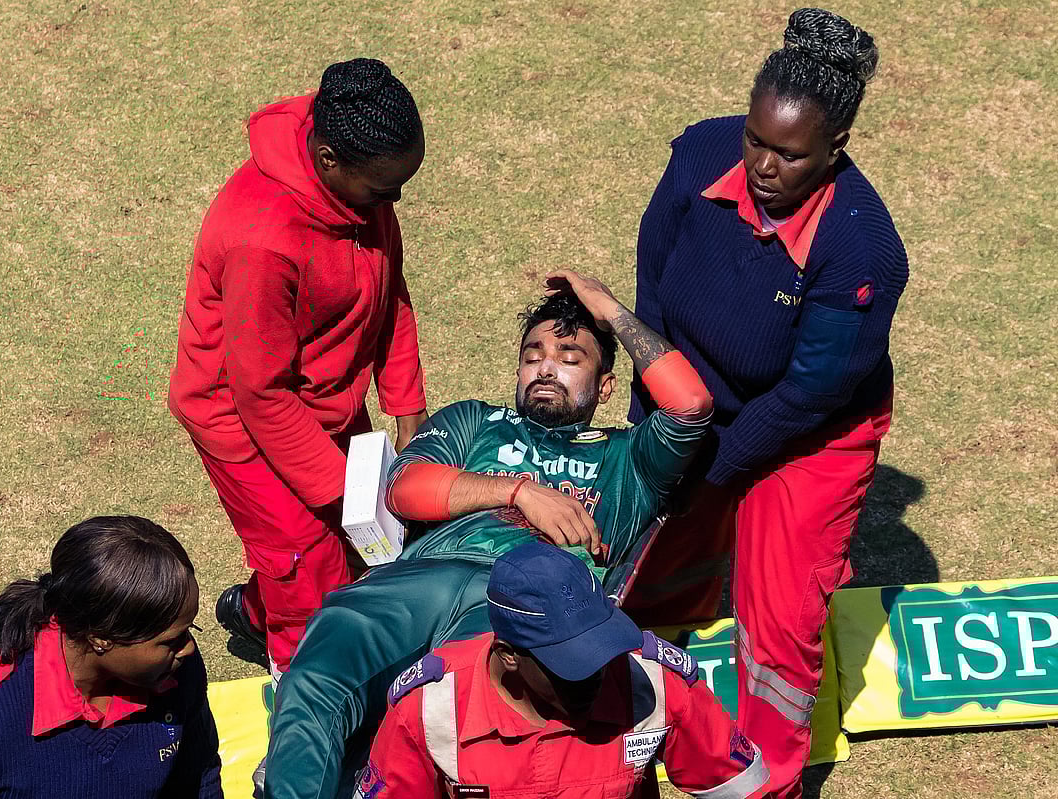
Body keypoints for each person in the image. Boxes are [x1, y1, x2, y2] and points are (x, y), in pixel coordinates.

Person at [262, 270, 714, 799]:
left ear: (606, 384)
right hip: (423, 576)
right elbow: (405, 489)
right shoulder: (476, 421)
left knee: (469, 704)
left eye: (570, 359)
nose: (546, 368)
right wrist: (519, 492)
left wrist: (606, 307)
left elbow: (691, 405)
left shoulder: (629, 457)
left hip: (527, 604)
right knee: (319, 667)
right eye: (533, 356)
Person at [625, 9, 909, 798]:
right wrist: (666, 419)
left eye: (790, 154)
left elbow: (812, 392)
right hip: (696, 401)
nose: (762, 165)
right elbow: (654, 280)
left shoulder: (862, 250)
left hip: (812, 435)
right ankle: (637, 707)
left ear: (834, 150)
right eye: (756, 139)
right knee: (646, 560)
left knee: (779, 626)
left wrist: (715, 467)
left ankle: (763, 782)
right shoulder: (699, 154)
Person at [167, 57, 429, 679]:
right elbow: (260, 393)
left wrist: (407, 407)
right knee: (311, 578)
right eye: (383, 190)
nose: (391, 204)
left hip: (323, 397)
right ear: (330, 158)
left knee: (356, 552)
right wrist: (348, 497)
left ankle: (256, 609)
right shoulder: (263, 240)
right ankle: (303, 710)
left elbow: (389, 288)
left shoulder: (357, 184)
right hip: (245, 421)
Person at [360, 542, 769, 798]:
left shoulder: (654, 681)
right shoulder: (430, 708)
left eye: (603, 647)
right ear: (508, 655)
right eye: (571, 665)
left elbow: (737, 784)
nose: (599, 674)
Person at [0, 516, 221, 799]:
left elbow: (198, 774)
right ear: (100, 637)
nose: (187, 649)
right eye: (171, 640)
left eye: (190, 631)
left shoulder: (174, 670)